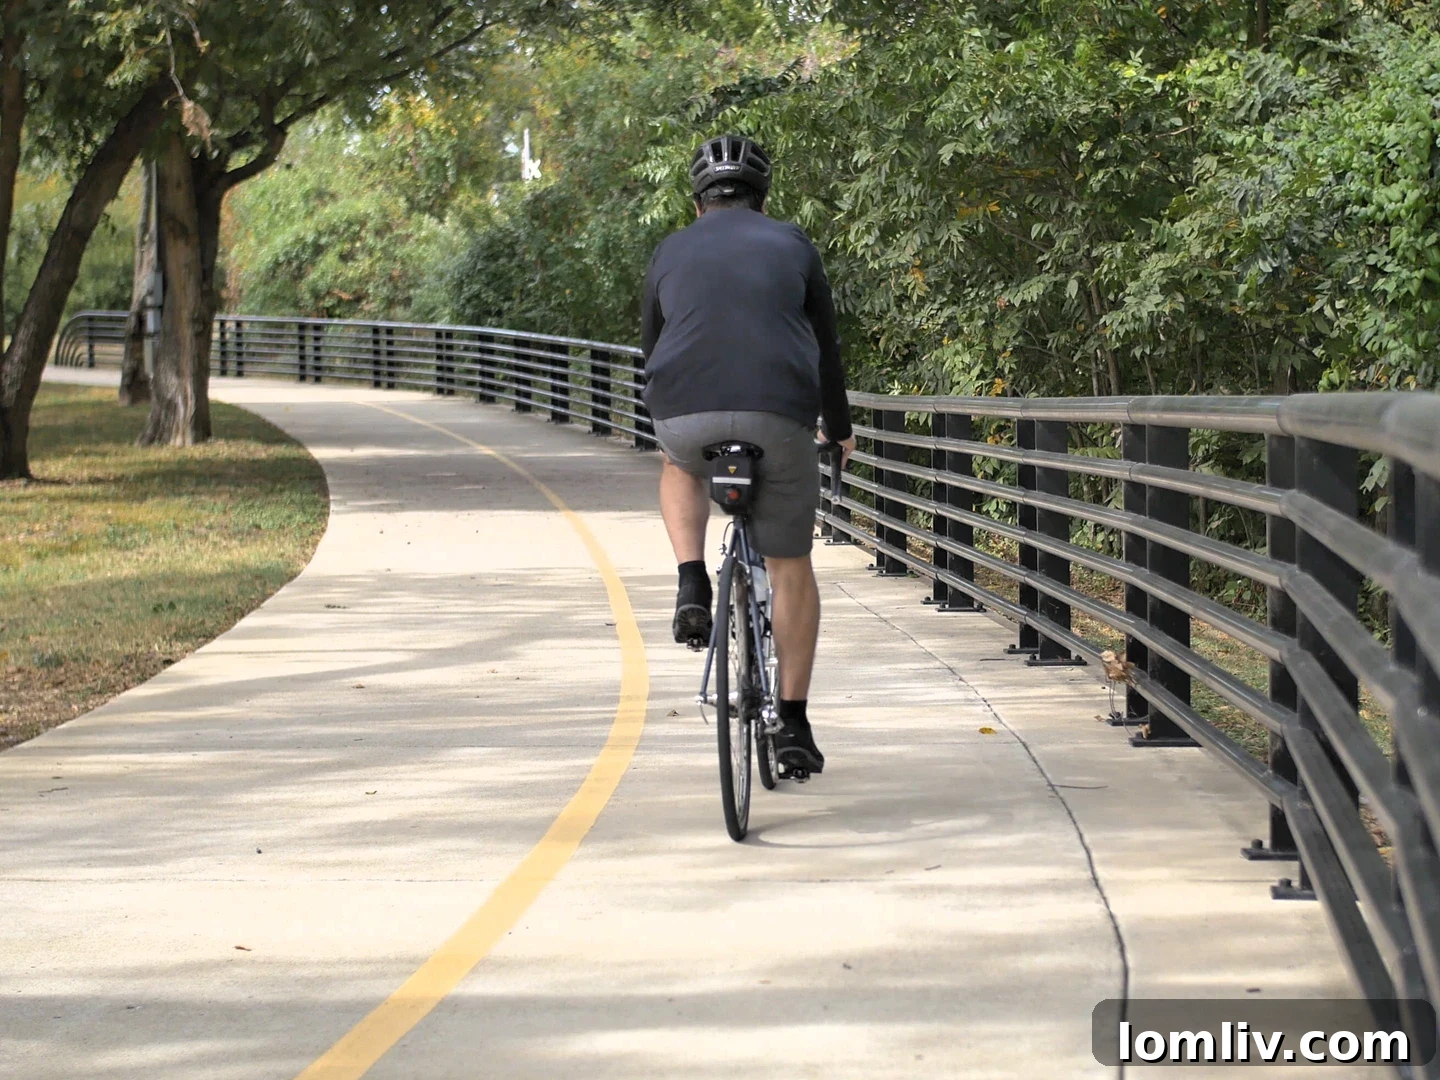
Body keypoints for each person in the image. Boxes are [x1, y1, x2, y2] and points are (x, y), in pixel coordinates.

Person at [640, 133, 855, 776]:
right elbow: (826, 349)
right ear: (762, 197)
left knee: (678, 463)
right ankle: (792, 722)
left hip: (686, 413)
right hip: (780, 416)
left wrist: (669, 417)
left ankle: (690, 579)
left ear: (698, 199)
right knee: (790, 566)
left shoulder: (669, 249)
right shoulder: (793, 244)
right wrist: (837, 429)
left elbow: (651, 351)